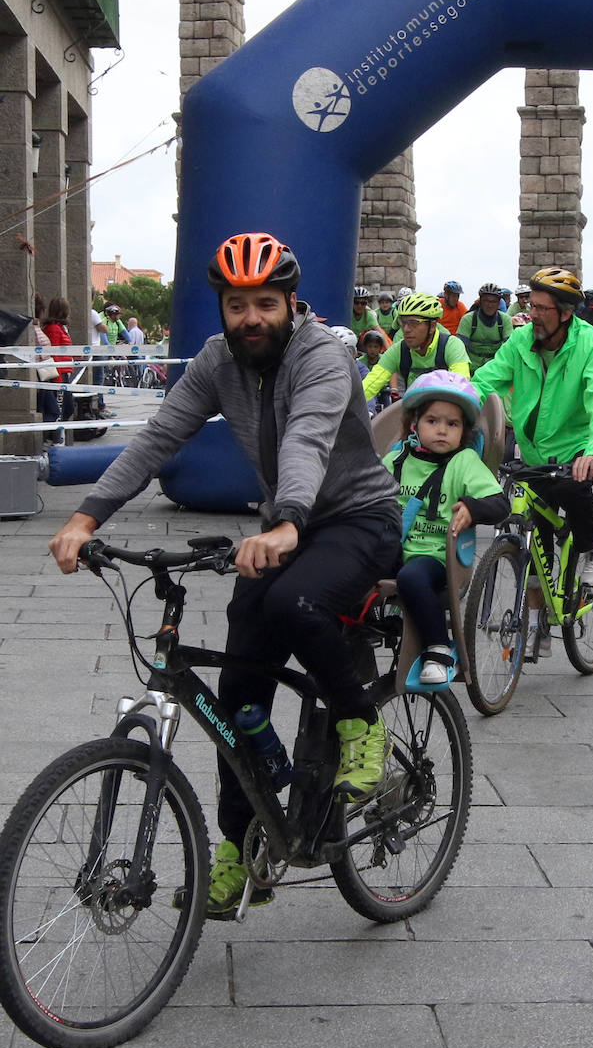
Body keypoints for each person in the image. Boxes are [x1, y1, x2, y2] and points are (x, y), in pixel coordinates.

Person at [49, 233, 403, 920]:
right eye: (237, 306)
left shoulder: (323, 355)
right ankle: (242, 850)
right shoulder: (218, 360)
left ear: (291, 302)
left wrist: (288, 520)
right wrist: (87, 517)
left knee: (298, 603)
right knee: (238, 694)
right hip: (283, 526)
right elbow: (159, 437)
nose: (251, 319)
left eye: (265, 304)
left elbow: (307, 436)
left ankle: (362, 724)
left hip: (357, 518)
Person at [471, 266, 593, 657]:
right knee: (536, 537)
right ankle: (538, 625)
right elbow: (486, 380)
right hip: (534, 453)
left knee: (573, 489)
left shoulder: (591, 345)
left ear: (566, 313)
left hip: (575, 449)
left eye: (541, 308)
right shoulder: (521, 341)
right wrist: (449, 403)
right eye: (530, 306)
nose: (531, 314)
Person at [384, 371, 509, 684]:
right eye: (432, 421)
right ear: (414, 424)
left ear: (464, 431)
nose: (442, 430)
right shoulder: (397, 458)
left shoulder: (464, 462)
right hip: (390, 549)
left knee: (411, 577)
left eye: (452, 424)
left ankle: (438, 649)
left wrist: (471, 507)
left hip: (437, 557)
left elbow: (500, 504)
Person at [362, 292, 470, 402]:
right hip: (413, 407)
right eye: (403, 322)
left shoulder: (451, 345)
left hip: (445, 407)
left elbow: (461, 386)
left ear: (432, 326)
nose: (406, 329)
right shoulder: (399, 349)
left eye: (414, 323)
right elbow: (371, 383)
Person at [456, 282, 514, 369]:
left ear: (499, 304)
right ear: (480, 302)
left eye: (494, 301)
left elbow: (509, 347)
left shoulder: (505, 320)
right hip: (471, 367)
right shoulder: (468, 319)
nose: (490, 305)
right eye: (486, 301)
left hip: (496, 368)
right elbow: (460, 349)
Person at [42, 296, 76, 423]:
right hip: (60, 373)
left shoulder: (60, 328)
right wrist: (58, 378)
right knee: (63, 407)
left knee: (68, 406)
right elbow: (54, 353)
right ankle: (56, 432)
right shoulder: (54, 329)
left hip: (64, 371)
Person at [33, 294, 62, 426]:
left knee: (51, 410)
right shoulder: (34, 328)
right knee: (51, 410)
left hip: (45, 373)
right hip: (40, 373)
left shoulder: (37, 327)